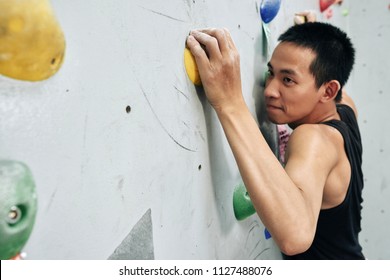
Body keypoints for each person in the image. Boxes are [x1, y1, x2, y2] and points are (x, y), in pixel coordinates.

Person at [186, 22, 365, 259]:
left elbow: (295, 236)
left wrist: (231, 103)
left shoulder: (314, 137)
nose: (270, 90)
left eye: (288, 80)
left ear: (328, 91)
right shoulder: (346, 111)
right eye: (272, 72)